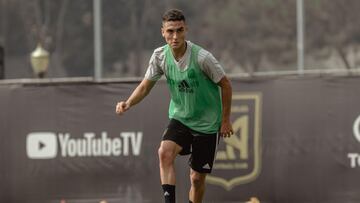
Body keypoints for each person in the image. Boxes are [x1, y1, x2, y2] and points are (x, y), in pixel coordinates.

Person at [115, 9, 233, 203]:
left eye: (179, 30)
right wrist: (128, 103)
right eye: (170, 31)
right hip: (181, 118)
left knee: (196, 179)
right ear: (163, 32)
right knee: (164, 152)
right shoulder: (159, 56)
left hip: (207, 124)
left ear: (186, 30)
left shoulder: (202, 58)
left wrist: (226, 120)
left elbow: (226, 85)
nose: (175, 36)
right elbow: (145, 86)